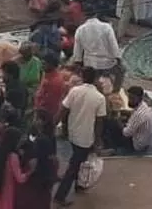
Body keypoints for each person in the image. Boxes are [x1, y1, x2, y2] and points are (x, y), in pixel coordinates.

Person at [54, 66, 106, 205]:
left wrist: (54, 125)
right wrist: (98, 141)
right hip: (86, 136)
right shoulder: (99, 98)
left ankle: (78, 185)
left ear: (82, 76)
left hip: (73, 132)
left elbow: (63, 110)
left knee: (78, 160)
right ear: (95, 79)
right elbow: (99, 122)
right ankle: (60, 195)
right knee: (74, 165)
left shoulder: (74, 91)